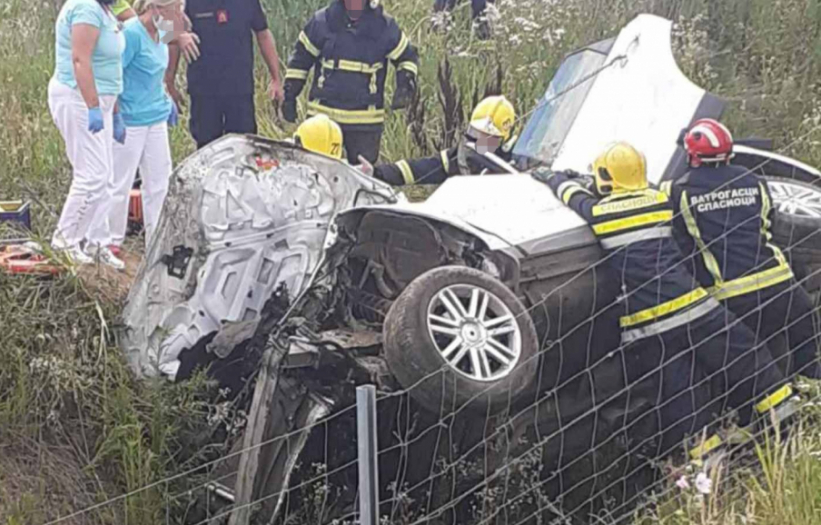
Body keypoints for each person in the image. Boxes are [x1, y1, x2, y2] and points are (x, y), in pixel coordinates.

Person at [531, 142, 795, 460]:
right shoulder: (659, 201)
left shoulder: (599, 215)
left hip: (649, 328)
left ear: (604, 178)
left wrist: (551, 176)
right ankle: (786, 418)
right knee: (746, 356)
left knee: (679, 391)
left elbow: (572, 197)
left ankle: (707, 461)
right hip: (693, 309)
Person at [663, 118, 821, 381]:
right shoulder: (754, 181)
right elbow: (769, 219)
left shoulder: (677, 190)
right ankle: (810, 385)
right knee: (806, 339)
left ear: (692, 156)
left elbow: (678, 239)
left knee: (750, 364)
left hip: (731, 295)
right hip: (781, 284)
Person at [282, 0, 419, 165]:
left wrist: (405, 84)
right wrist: (290, 94)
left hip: (364, 125)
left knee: (359, 179)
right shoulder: (322, 22)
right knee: (316, 173)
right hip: (323, 123)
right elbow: (300, 61)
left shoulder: (383, 27)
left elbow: (407, 57)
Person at [48, 0, 127, 269]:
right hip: (79, 99)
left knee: (106, 177)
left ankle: (96, 242)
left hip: (104, 102)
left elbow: (111, 69)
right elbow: (80, 59)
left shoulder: (106, 10)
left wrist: (113, 111)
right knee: (92, 175)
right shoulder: (86, 7)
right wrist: (94, 106)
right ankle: (65, 241)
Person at [107, 0, 181, 256]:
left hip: (155, 116)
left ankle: (157, 244)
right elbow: (114, 74)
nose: (179, 15)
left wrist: (166, 94)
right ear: (157, 8)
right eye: (175, 9)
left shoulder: (165, 28)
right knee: (120, 182)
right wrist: (114, 114)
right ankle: (111, 241)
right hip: (131, 119)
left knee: (160, 182)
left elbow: (163, 65)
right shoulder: (130, 34)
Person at [170, 0, 283, 149]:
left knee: (244, 146)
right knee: (206, 148)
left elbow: (263, 33)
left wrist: (276, 79)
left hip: (240, 89)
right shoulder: (189, 2)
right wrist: (169, 82)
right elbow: (167, 32)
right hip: (203, 91)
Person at [368, 95, 515, 185]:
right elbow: (418, 169)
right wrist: (376, 173)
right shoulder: (459, 157)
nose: (479, 142)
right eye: (475, 133)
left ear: (503, 141)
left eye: (488, 139)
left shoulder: (517, 165)